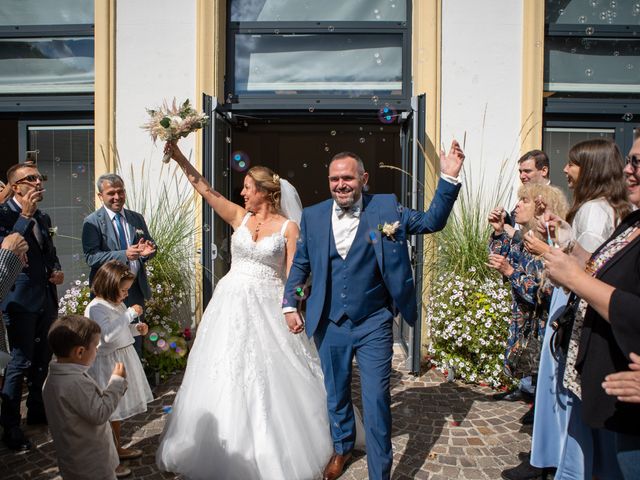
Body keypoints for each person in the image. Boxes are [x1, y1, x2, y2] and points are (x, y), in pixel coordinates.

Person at [283, 142, 465, 480]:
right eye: (334, 179)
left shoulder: (387, 209)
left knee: (377, 399)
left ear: (363, 178)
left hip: (373, 322)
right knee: (335, 394)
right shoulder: (312, 216)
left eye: (348, 178)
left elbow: (431, 222)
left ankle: (380, 472)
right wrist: (291, 302)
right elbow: (301, 268)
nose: (341, 185)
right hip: (329, 322)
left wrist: (448, 178)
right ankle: (343, 447)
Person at [156, 141, 334, 480]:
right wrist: (180, 158)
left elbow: (298, 276)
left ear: (266, 193)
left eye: (248, 188)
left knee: (270, 376)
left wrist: (294, 305)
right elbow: (205, 190)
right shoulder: (240, 217)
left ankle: (274, 447)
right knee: (224, 369)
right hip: (230, 305)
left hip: (269, 308)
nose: (242, 193)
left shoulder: (288, 228)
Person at [522, 138, 632, 480]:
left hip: (581, 310)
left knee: (569, 397)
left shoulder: (593, 210)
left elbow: (584, 271)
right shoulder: (613, 208)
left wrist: (544, 248)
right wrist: (560, 232)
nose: (566, 169)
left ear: (591, 169)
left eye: (573, 163)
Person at [0, 162, 64, 451]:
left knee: (43, 359)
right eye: (31, 178)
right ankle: (11, 426)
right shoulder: (3, 215)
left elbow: (49, 253)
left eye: (40, 177)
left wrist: (56, 269)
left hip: (45, 298)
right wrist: (24, 215)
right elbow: (9, 249)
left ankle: (37, 411)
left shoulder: (44, 215)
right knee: (19, 363)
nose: (39, 182)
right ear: (16, 187)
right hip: (18, 300)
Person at [487, 183, 568, 403]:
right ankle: (532, 399)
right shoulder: (525, 239)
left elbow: (544, 292)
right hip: (524, 322)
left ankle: (539, 406)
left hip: (543, 326)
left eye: (524, 201)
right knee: (531, 372)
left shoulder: (549, 245)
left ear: (541, 208)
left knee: (545, 376)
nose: (516, 206)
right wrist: (498, 230)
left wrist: (510, 272)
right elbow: (498, 258)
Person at [85, 260, 153, 468]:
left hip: (122, 357)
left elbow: (121, 329)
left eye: (127, 290)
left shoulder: (116, 304)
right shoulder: (97, 307)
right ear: (109, 285)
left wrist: (136, 329)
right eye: (123, 290)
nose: (126, 295)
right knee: (107, 412)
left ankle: (116, 448)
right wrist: (129, 314)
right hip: (107, 364)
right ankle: (107, 458)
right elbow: (108, 336)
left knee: (116, 411)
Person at [43, 315, 129, 479]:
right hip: (91, 462)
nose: (97, 350)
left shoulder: (54, 377)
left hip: (72, 458)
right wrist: (117, 382)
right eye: (96, 346)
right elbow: (100, 413)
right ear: (80, 351)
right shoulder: (74, 382)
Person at [82, 173, 156, 355]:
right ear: (100, 196)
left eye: (120, 191)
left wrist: (147, 252)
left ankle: (134, 380)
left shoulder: (136, 218)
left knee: (135, 339)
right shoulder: (92, 222)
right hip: (108, 292)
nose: (117, 197)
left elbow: (149, 245)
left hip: (135, 289)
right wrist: (124, 255)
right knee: (112, 342)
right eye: (111, 193)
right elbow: (91, 257)